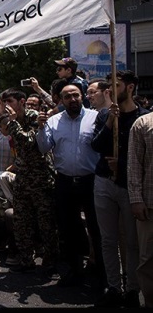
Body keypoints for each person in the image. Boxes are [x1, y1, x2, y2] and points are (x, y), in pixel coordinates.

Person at [37, 81, 104, 290]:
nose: (72, 99)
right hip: (64, 182)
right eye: (67, 97)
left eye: (75, 95)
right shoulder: (53, 121)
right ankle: (75, 271)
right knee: (69, 229)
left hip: (91, 181)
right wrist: (40, 128)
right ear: (61, 100)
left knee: (96, 228)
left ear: (82, 95)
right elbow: (43, 147)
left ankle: (102, 273)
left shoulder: (97, 117)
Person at [92, 70, 148, 307]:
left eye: (117, 85)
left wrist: (122, 165)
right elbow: (96, 145)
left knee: (132, 242)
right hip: (104, 182)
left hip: (130, 187)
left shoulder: (144, 117)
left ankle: (133, 289)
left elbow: (146, 158)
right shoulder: (105, 114)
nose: (111, 90)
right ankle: (113, 286)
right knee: (108, 239)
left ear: (131, 87)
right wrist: (110, 122)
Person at [0, 87, 59, 274]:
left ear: (22, 102)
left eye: (10, 102)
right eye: (5, 103)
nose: (7, 106)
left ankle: (50, 261)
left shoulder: (34, 117)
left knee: (46, 223)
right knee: (21, 221)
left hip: (41, 178)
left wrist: (14, 123)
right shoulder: (12, 121)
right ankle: (26, 259)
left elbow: (29, 143)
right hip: (23, 178)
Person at [127, 111, 153, 308]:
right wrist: (136, 199)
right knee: (148, 261)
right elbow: (134, 165)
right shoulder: (143, 123)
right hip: (149, 204)